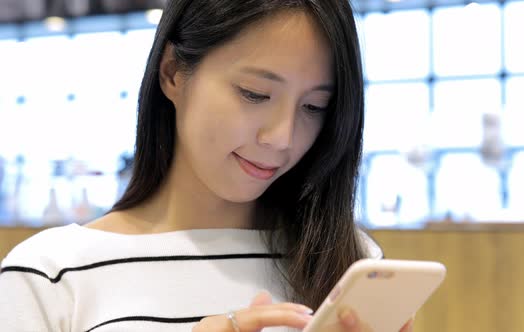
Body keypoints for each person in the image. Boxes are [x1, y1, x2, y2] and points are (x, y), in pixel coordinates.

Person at [0, 0, 415, 331]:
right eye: (255, 94)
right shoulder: (51, 275)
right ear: (173, 72)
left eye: (313, 106)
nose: (283, 137)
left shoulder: (349, 261)